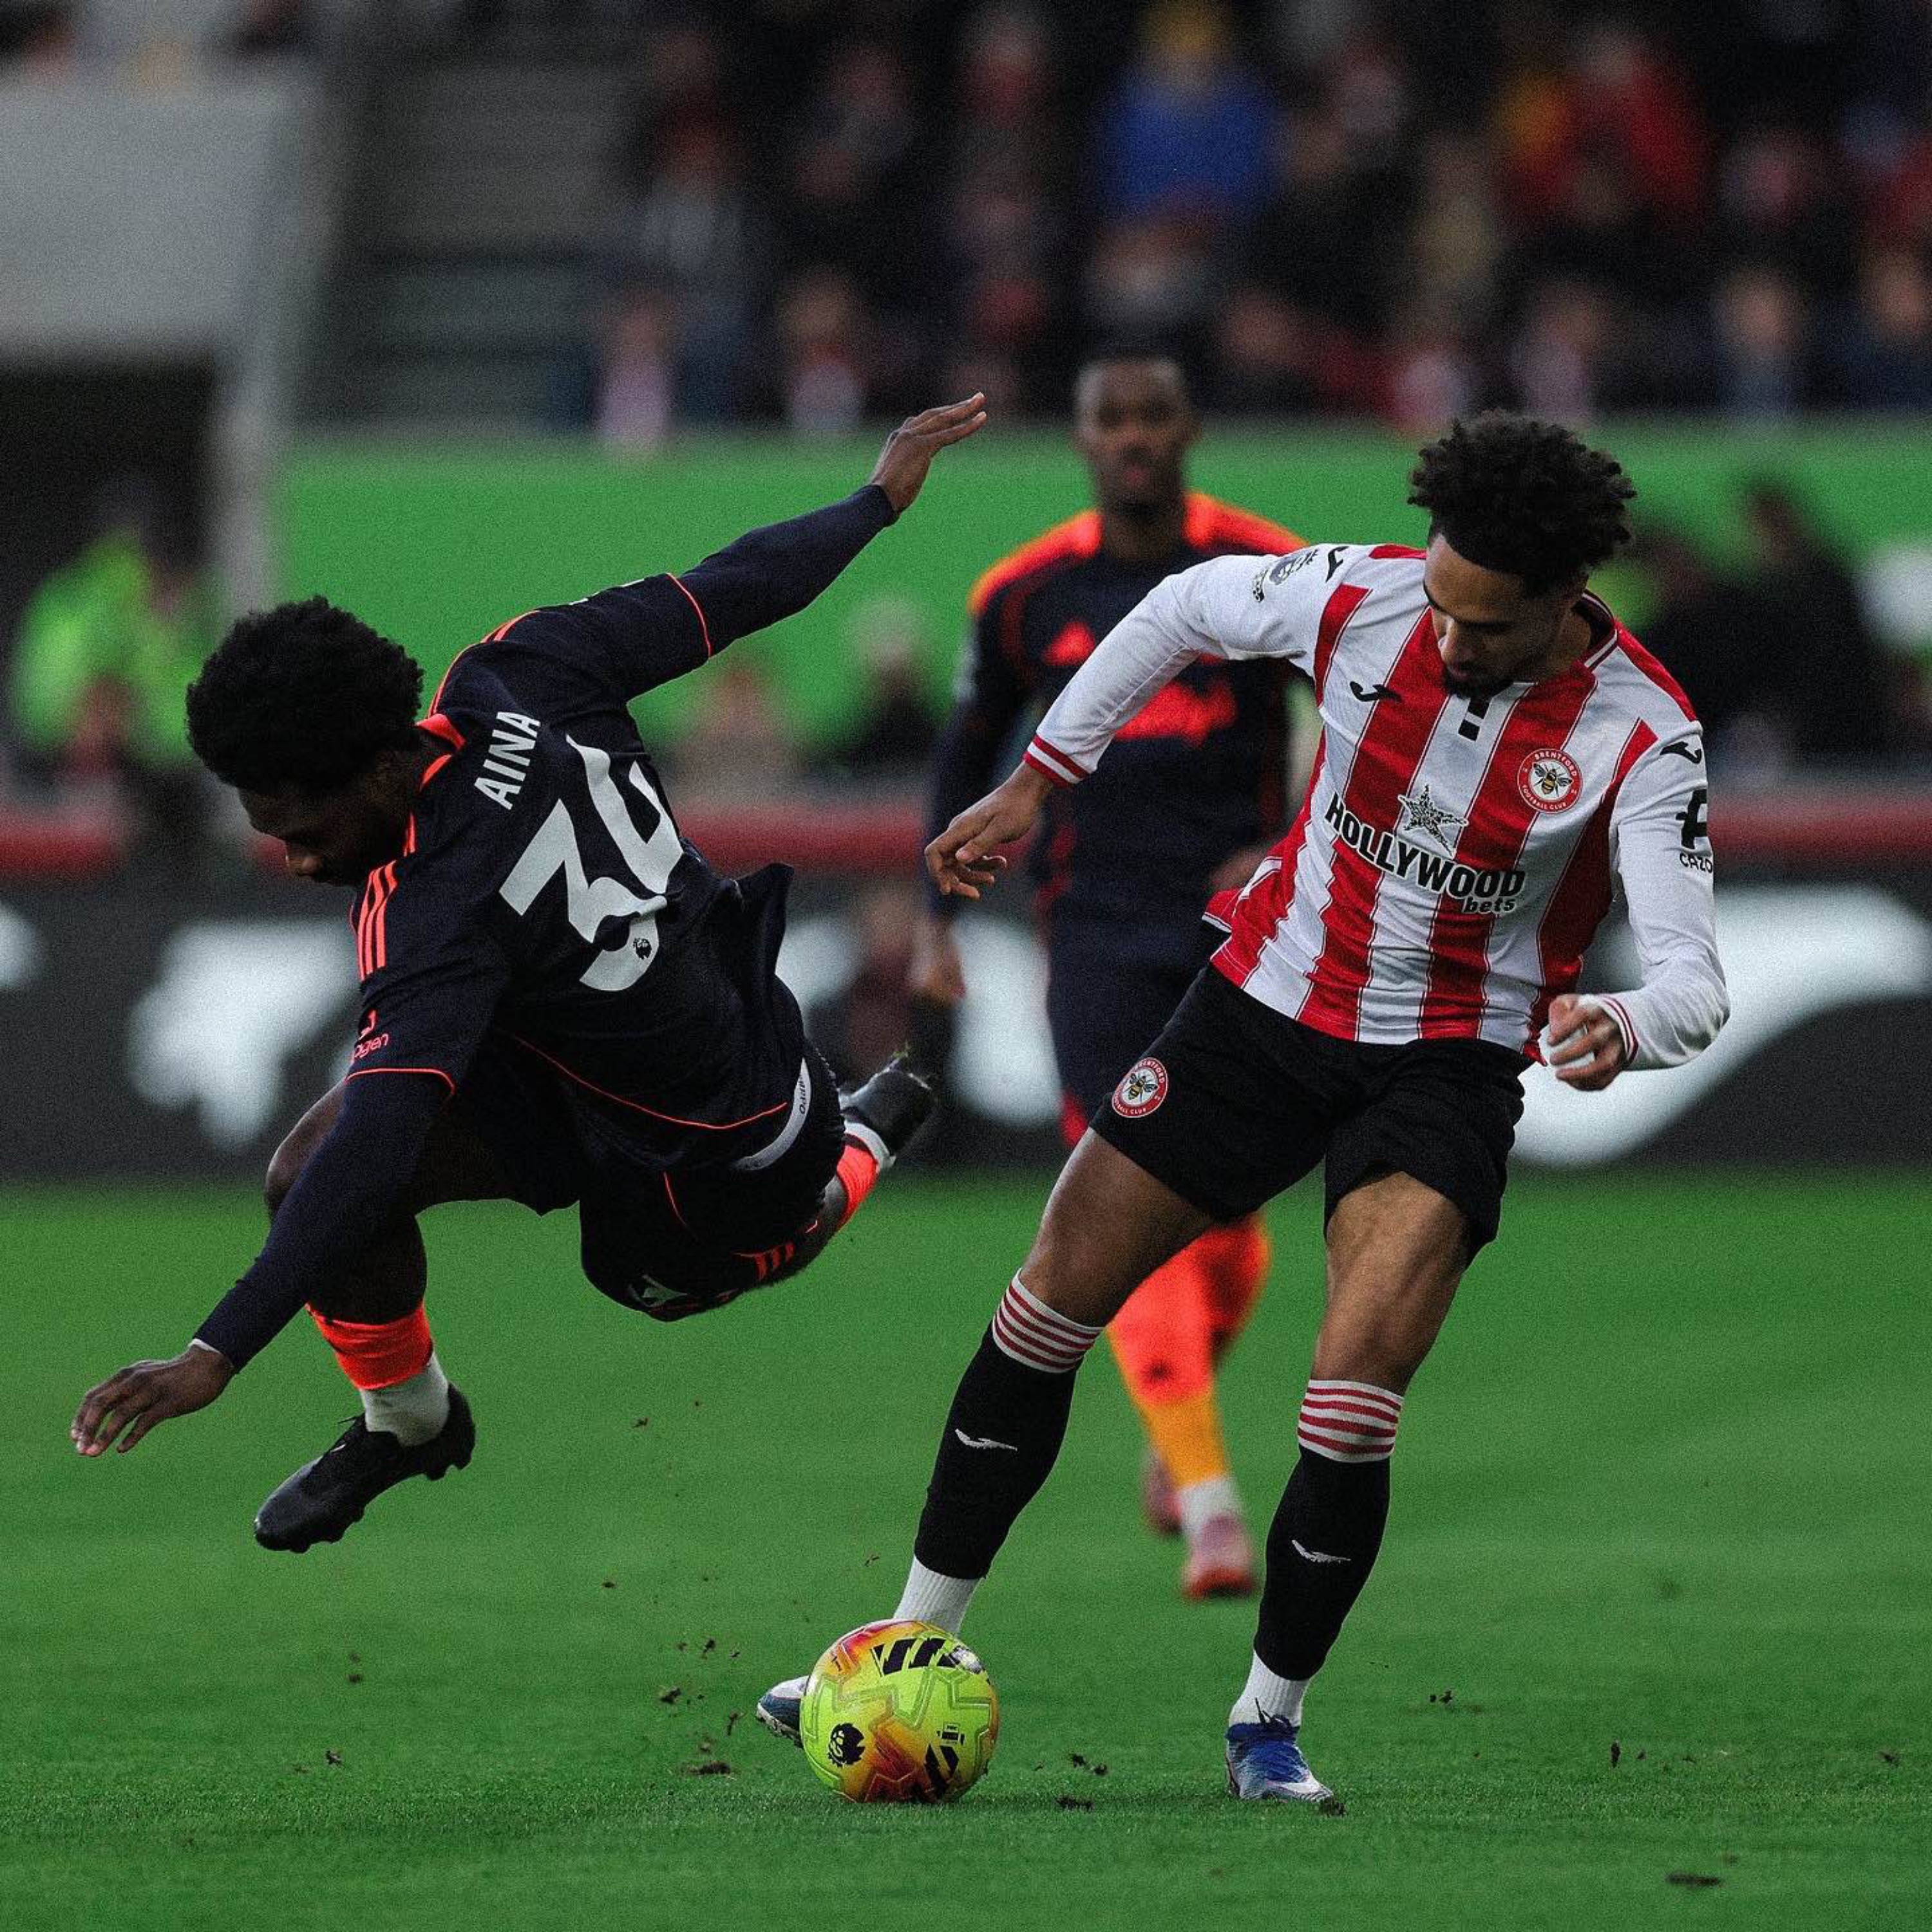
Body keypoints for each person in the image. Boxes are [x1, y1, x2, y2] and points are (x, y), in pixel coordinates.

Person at [759, 413, 1729, 1806]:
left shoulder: (1646, 731)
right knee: (1047, 1298)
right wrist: (1046, 776)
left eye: (1490, 627)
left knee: (1352, 1386)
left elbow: (1697, 984)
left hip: (1444, 1065)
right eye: (1444, 602)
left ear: (1570, 598)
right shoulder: (1363, 593)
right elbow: (1177, 609)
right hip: (1262, 1011)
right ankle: (910, 1634)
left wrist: (1620, 1023)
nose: (1450, 642)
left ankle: (1268, 1725)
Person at [68, 397, 989, 1557]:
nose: (291, 859)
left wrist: (216, 1352)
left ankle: (861, 1145)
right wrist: (873, 503)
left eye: (299, 825)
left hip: (726, 1130)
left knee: (655, 1276)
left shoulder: (434, 912)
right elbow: (730, 588)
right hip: (570, 1060)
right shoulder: (523, 667)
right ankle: (409, 1423)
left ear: (377, 765)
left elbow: (383, 1145)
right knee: (301, 1172)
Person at [916, 345, 1303, 1598]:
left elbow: (1366, 715)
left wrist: (1290, 843)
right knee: (1112, 1201)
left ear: (1188, 427)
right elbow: (967, 751)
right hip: (1090, 929)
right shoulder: (1023, 594)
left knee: (1227, 1224)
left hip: (1238, 922)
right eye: (1109, 419)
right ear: (1082, 438)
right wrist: (936, 919)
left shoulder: (1262, 565)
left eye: (1153, 415)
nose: (1133, 436)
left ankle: (1173, 1425)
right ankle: (1209, 1502)